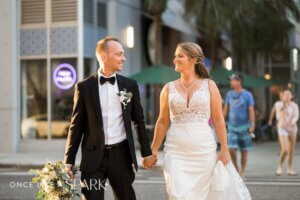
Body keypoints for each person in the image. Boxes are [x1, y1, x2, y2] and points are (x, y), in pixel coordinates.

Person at [64, 36, 156, 200]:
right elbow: (76, 126)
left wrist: (146, 153)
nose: (124, 58)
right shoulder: (84, 87)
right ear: (104, 56)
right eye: (119, 54)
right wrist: (68, 160)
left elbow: (138, 121)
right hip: (93, 160)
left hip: (121, 156)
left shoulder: (129, 85)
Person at [151, 42, 232, 199]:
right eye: (175, 56)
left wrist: (225, 149)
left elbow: (218, 119)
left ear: (194, 59)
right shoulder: (168, 88)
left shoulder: (210, 86)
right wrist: (153, 149)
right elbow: (162, 121)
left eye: (180, 56)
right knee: (176, 194)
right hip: (175, 151)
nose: (175, 59)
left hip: (204, 152)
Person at [223, 73, 255, 177]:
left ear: (238, 81)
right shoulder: (229, 94)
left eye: (232, 80)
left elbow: (251, 110)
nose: (230, 82)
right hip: (232, 126)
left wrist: (252, 124)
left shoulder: (248, 95)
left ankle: (243, 170)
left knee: (244, 150)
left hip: (244, 126)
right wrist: (221, 121)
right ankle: (236, 167)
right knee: (231, 149)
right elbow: (226, 108)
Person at [276, 89, 299, 176]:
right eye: (285, 94)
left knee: (291, 149)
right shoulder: (279, 105)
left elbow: (296, 116)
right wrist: (283, 104)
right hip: (282, 128)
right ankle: (279, 166)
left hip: (292, 128)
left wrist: (292, 122)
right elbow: (279, 117)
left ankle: (289, 169)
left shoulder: (295, 105)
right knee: (285, 149)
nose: (287, 95)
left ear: (291, 96)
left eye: (289, 94)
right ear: (283, 96)